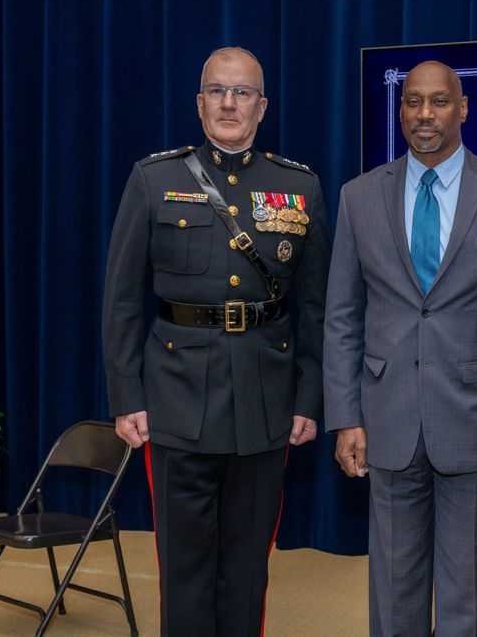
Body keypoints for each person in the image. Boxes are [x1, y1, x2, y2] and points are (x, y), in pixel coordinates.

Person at [101, 46, 329, 636]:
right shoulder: (155, 178)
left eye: (243, 92)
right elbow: (122, 298)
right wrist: (127, 394)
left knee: (248, 563)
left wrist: (309, 399)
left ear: (262, 106)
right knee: (184, 565)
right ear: (199, 104)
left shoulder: (298, 186)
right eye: (217, 91)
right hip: (176, 396)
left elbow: (321, 309)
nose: (230, 103)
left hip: (265, 397)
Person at [324, 60, 477, 636]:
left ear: (463, 108)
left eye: (439, 101)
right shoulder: (359, 198)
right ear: (400, 110)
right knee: (394, 591)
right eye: (412, 102)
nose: (424, 114)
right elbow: (342, 317)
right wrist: (345, 416)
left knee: (468, 593)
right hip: (386, 419)